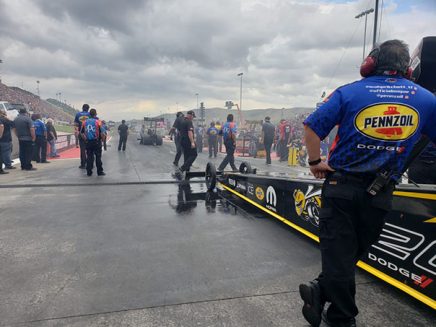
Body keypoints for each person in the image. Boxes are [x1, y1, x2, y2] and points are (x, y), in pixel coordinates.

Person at [299, 40, 436, 327]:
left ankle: (334, 308)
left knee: (340, 256)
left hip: (341, 187)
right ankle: (338, 311)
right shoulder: (426, 99)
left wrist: (314, 162)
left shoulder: (348, 92)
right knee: (350, 254)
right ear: (409, 70)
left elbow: (312, 127)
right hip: (381, 192)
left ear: (370, 63)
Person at [80, 108, 106, 176]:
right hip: (97, 142)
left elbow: (81, 133)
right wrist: (102, 141)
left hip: (88, 142)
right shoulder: (98, 122)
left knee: (89, 157)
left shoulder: (84, 122)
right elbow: (103, 133)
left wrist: (85, 139)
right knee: (98, 157)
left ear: (89, 114)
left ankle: (89, 172)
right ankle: (99, 172)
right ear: (95, 114)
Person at [175, 110, 197, 179]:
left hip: (182, 141)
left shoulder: (183, 121)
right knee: (194, 154)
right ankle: (182, 169)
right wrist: (192, 142)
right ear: (191, 115)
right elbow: (189, 132)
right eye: (193, 116)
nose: (193, 118)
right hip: (188, 141)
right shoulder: (189, 122)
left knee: (187, 156)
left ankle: (187, 172)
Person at [75, 104, 91, 169]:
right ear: (88, 108)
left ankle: (83, 164)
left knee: (82, 150)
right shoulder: (90, 114)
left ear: (82, 108)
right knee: (89, 149)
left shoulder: (78, 114)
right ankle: (89, 163)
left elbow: (76, 124)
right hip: (89, 134)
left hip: (81, 133)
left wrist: (77, 131)